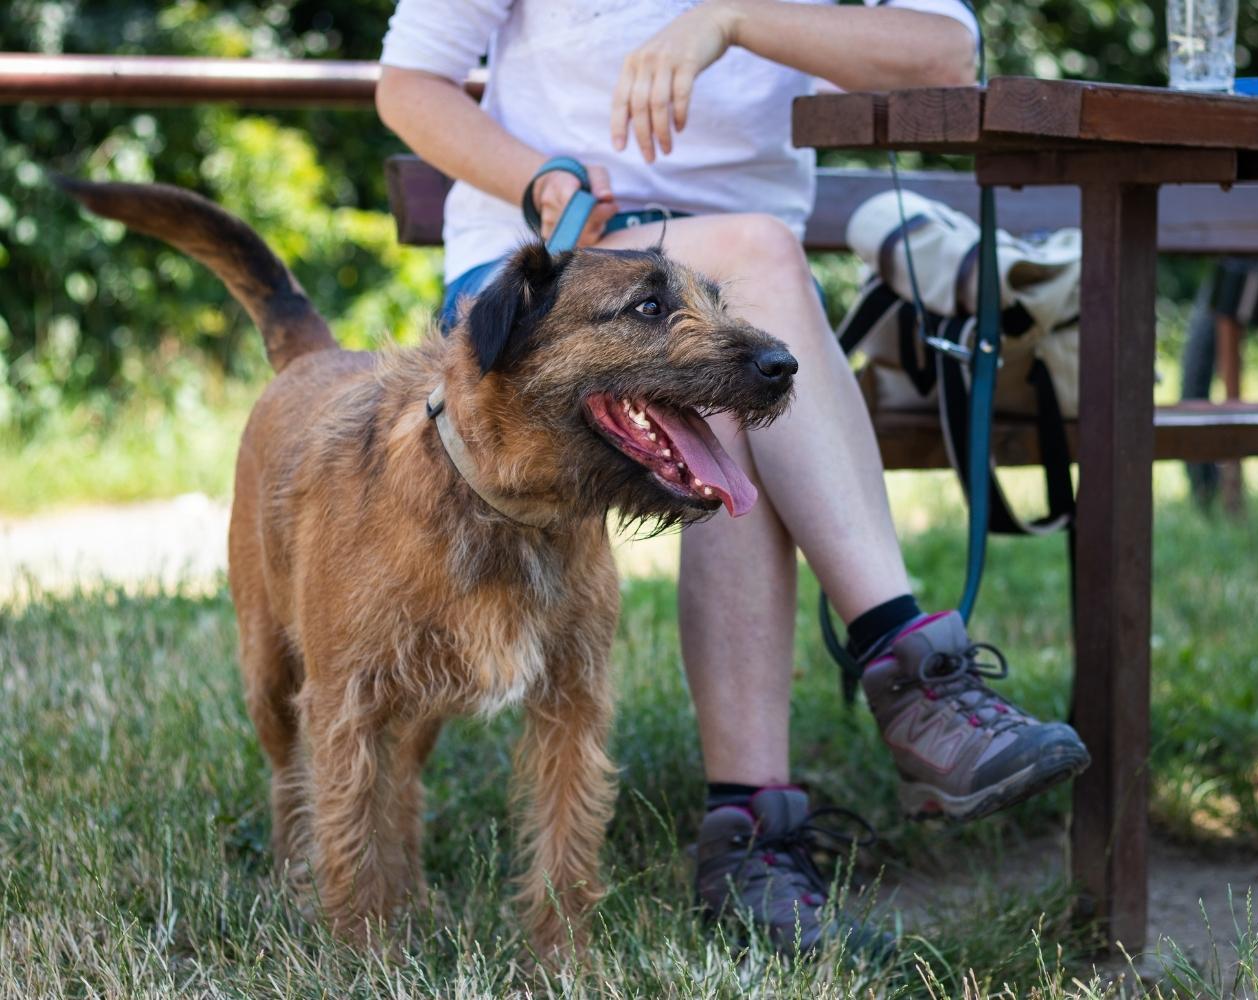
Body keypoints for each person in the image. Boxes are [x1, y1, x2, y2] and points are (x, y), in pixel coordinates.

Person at [376, 0, 1090, 953]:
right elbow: (408, 83)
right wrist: (538, 177)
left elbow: (944, 49)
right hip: (551, 288)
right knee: (756, 268)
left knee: (738, 360)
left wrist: (733, 19)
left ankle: (750, 836)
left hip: (735, 295)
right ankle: (910, 669)